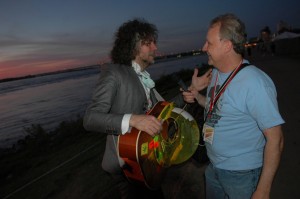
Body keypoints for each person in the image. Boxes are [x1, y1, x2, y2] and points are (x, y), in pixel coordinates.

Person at [83, 18, 211, 199]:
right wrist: (134, 119)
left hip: (148, 160)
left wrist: (192, 90)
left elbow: (163, 111)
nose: (155, 48)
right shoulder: (114, 73)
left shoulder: (143, 78)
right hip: (127, 167)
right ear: (134, 46)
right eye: (148, 43)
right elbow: (90, 118)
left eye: (154, 42)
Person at [183, 13, 284, 199]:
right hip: (214, 168)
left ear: (227, 46)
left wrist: (263, 190)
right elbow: (217, 107)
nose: (204, 47)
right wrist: (197, 95)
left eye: (209, 43)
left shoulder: (254, 83)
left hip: (242, 175)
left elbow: (276, 139)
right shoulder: (215, 73)